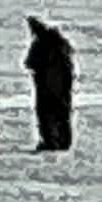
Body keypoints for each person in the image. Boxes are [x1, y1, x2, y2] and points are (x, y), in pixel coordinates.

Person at [23, 15, 76, 151]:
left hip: (47, 87)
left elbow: (29, 63)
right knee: (62, 114)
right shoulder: (59, 43)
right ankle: (63, 141)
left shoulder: (41, 43)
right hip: (60, 86)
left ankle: (51, 142)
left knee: (46, 114)